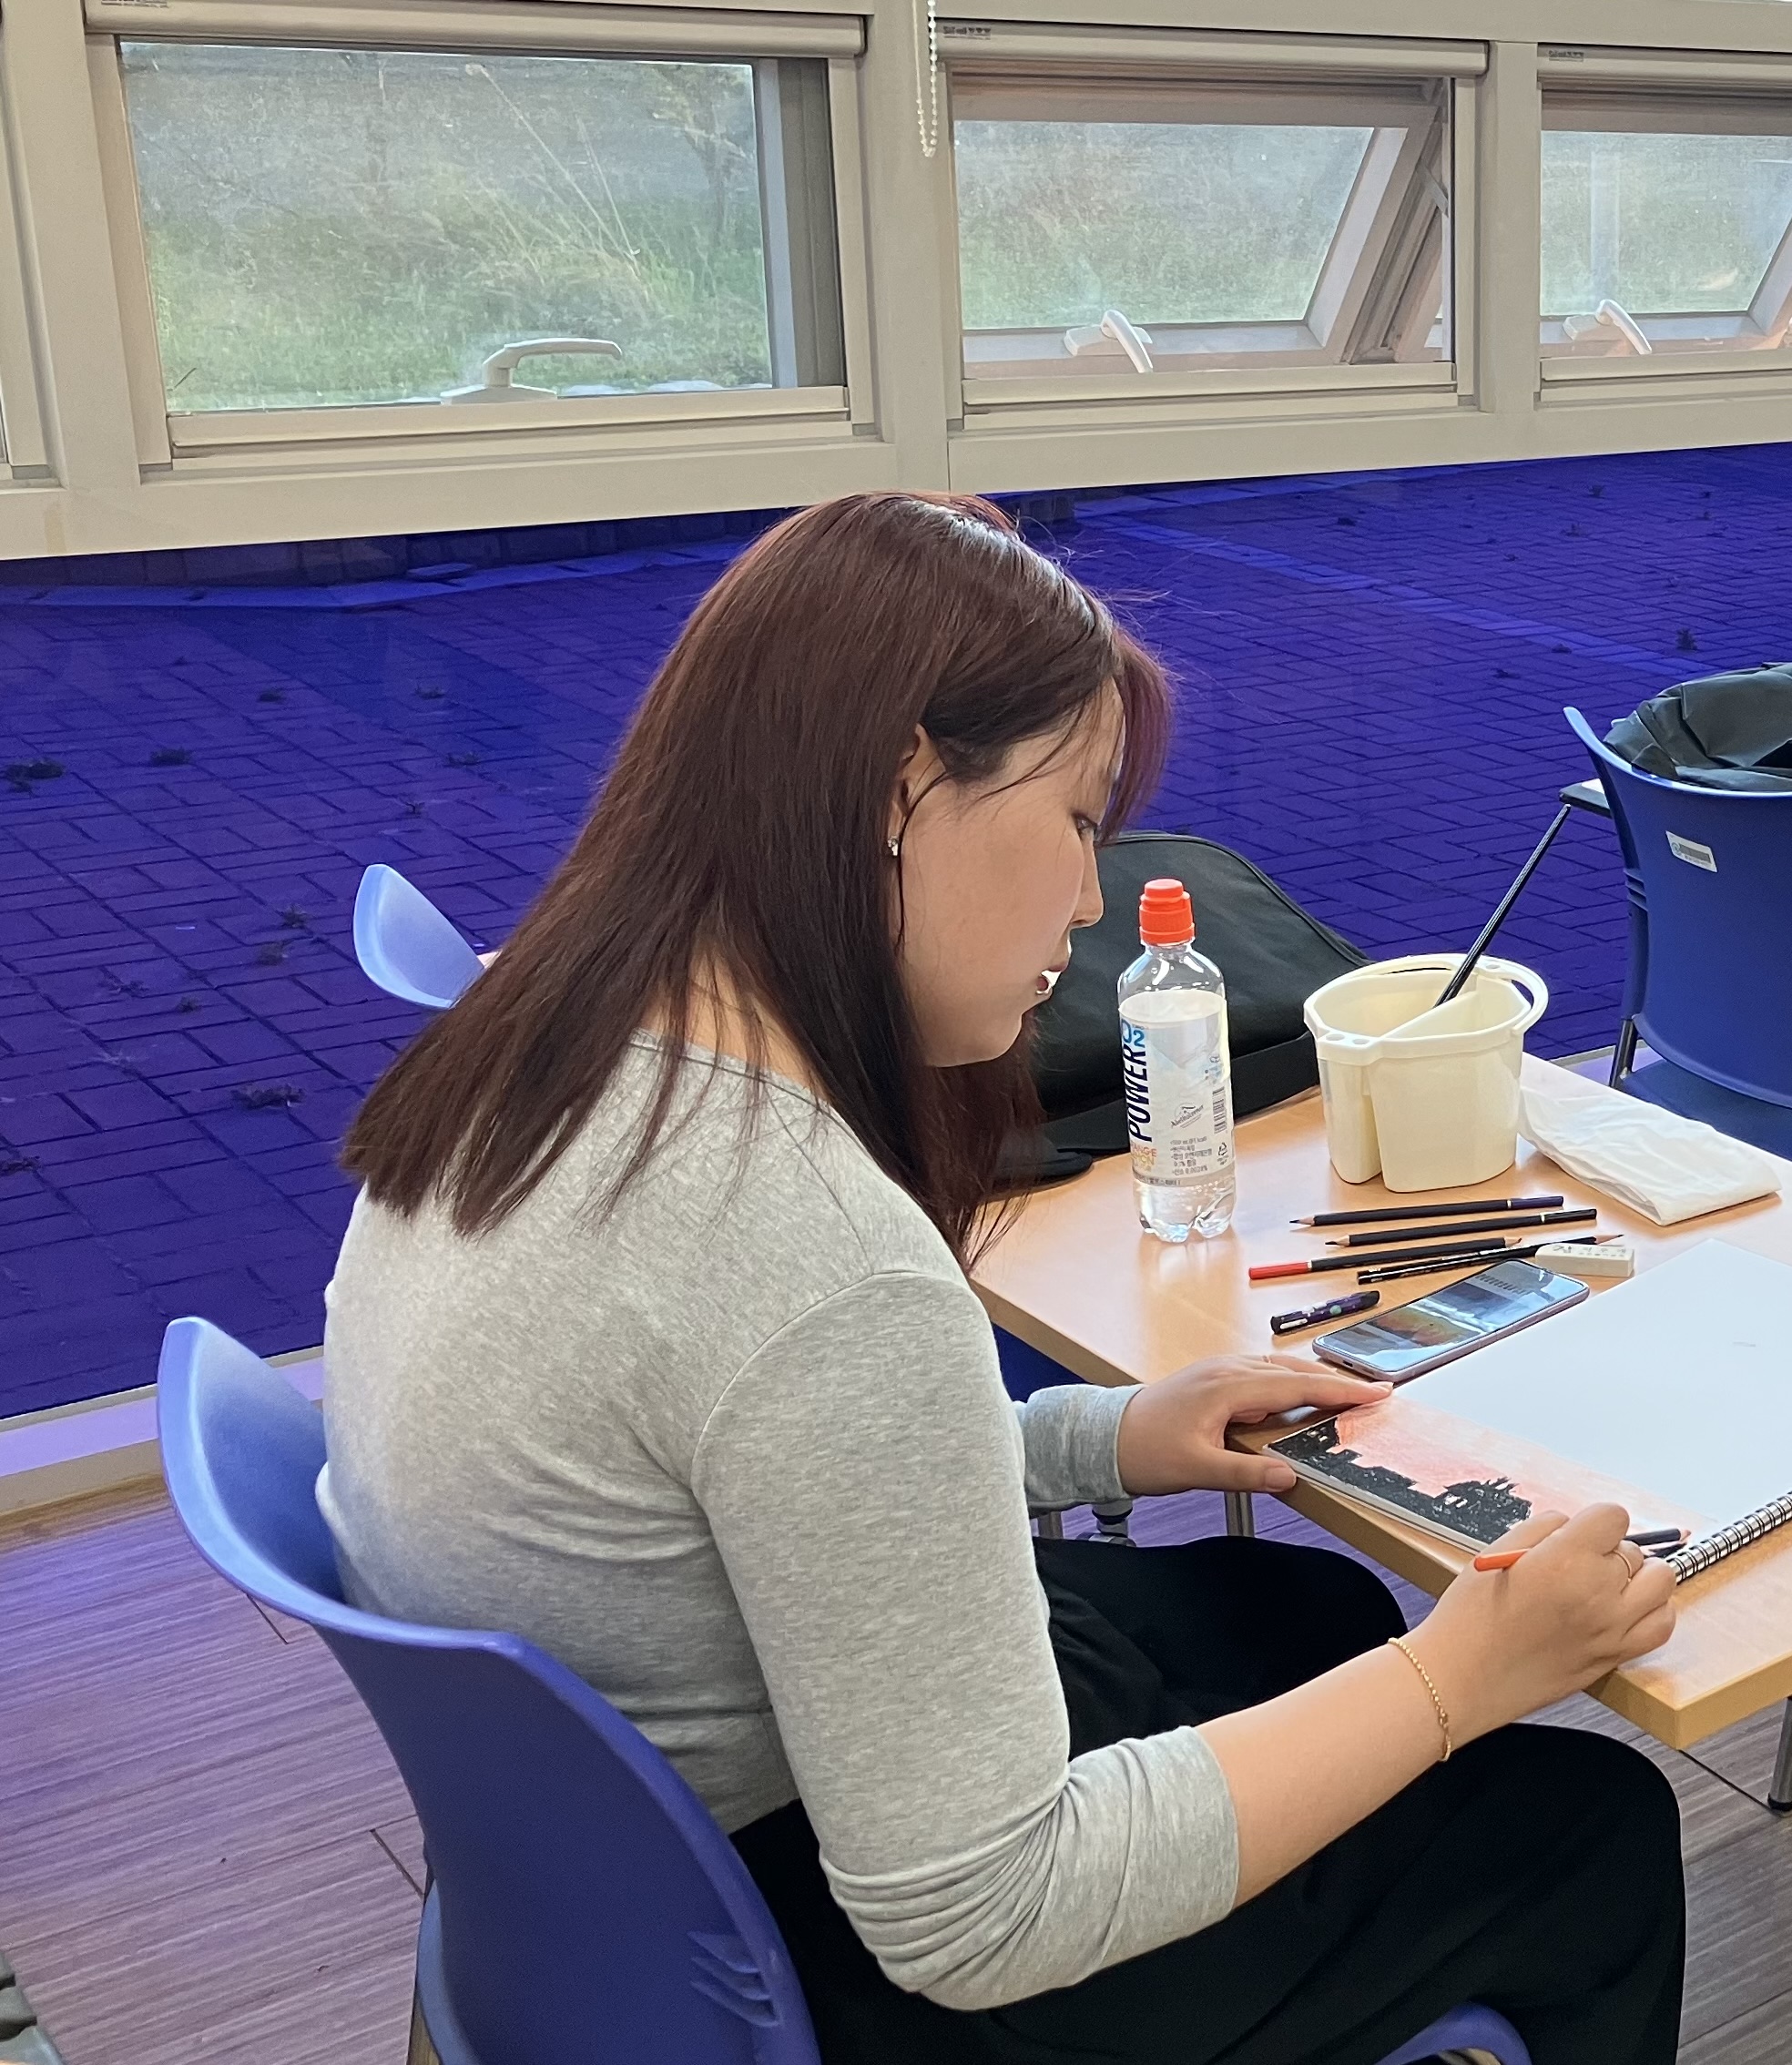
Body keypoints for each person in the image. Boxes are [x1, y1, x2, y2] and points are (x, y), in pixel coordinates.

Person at [321, 491, 1688, 2064]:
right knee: (1588, 1829)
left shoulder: (532, 1050)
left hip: (638, 1882)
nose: (1092, 902)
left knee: (1297, 1601)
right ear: (903, 790)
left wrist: (1108, 1436)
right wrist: (1463, 1678)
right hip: (841, 1948)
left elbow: (746, 1458)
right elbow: (983, 1914)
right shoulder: (803, 1244)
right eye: (1083, 822)